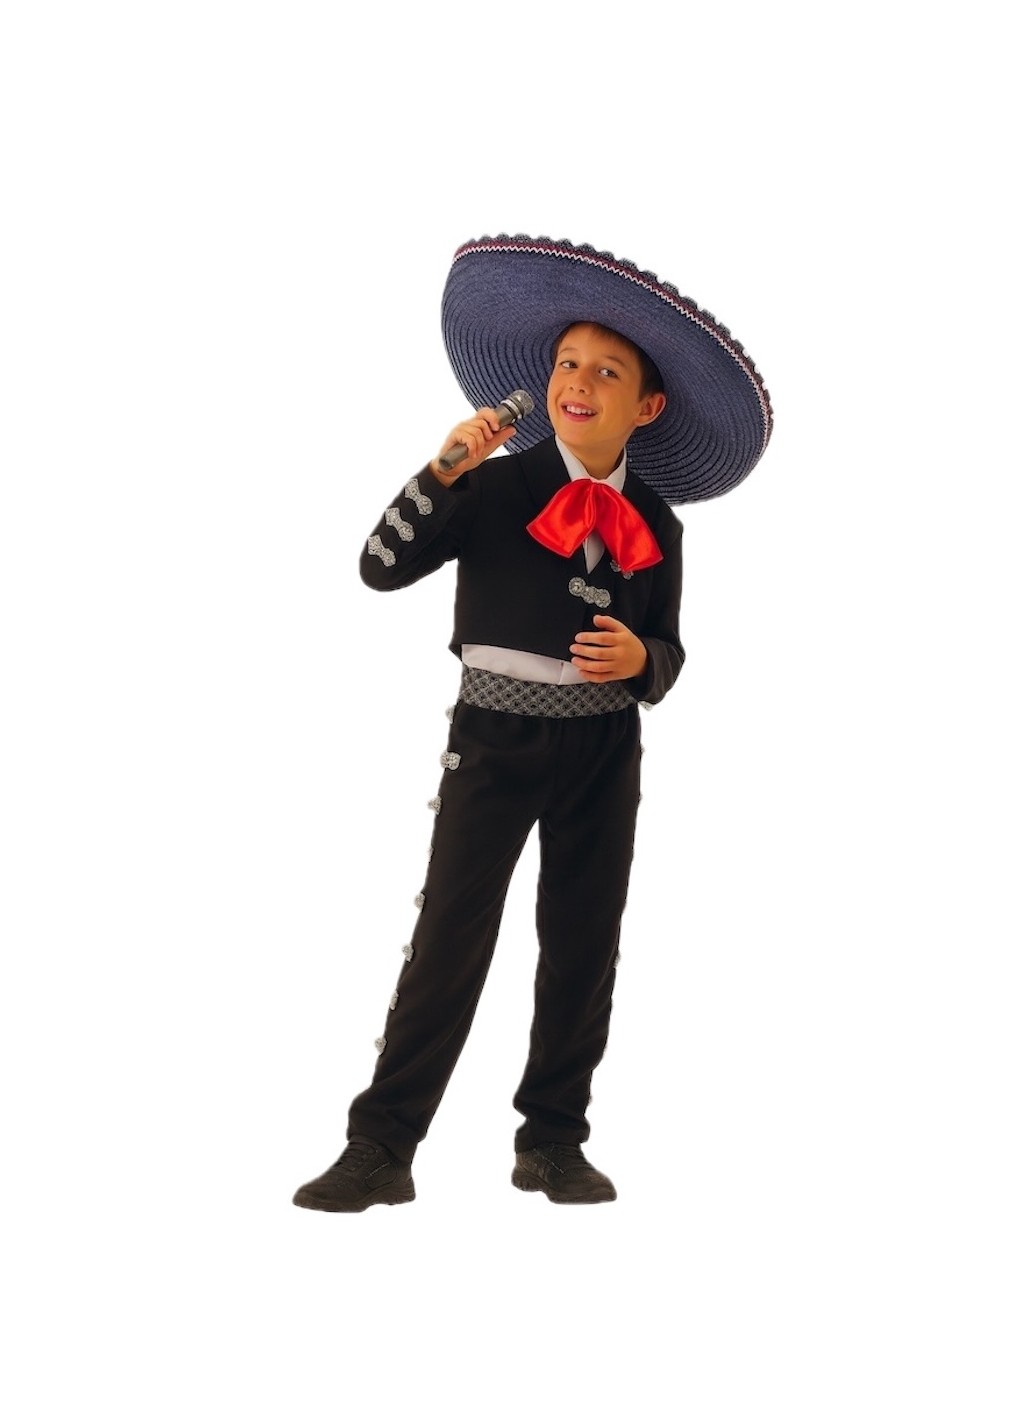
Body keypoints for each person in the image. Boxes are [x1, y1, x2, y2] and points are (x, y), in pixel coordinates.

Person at [293, 235, 773, 1211]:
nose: (578, 383)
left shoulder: (658, 523)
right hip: (495, 739)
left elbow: (670, 650)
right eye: (566, 363)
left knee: (584, 942)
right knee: (449, 937)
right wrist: (440, 472)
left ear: (647, 407)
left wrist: (641, 662)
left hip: (604, 749)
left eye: (607, 371)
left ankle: (552, 1140)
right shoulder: (493, 485)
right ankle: (381, 1144)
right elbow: (379, 568)